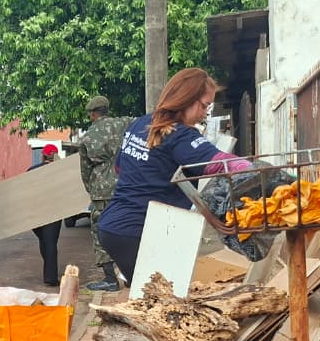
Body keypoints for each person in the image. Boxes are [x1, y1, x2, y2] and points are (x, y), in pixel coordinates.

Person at [97, 68, 251, 286]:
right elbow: (219, 164)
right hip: (139, 232)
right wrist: (261, 170)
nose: (205, 113)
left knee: (149, 297)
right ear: (186, 98)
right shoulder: (181, 135)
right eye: (204, 105)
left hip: (112, 227)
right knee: (165, 299)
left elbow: (119, 169)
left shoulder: (141, 124)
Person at [79, 95, 131, 292]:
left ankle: (110, 279)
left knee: (101, 232)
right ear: (107, 109)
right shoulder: (124, 124)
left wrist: (91, 190)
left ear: (92, 114)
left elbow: (85, 170)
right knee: (129, 228)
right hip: (127, 184)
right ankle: (131, 275)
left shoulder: (88, 137)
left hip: (101, 190)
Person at [28, 144, 63, 286]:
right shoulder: (60, 172)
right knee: (50, 243)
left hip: (35, 213)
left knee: (44, 241)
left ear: (43, 155)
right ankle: (51, 277)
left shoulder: (31, 170)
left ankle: (49, 271)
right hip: (53, 213)